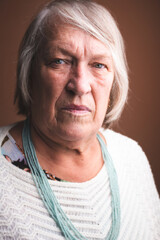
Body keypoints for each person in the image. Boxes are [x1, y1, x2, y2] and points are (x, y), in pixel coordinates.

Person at [0, 0, 159, 239]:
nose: (81, 85)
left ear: (114, 81)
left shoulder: (131, 155)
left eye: (98, 65)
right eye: (60, 61)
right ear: (30, 73)